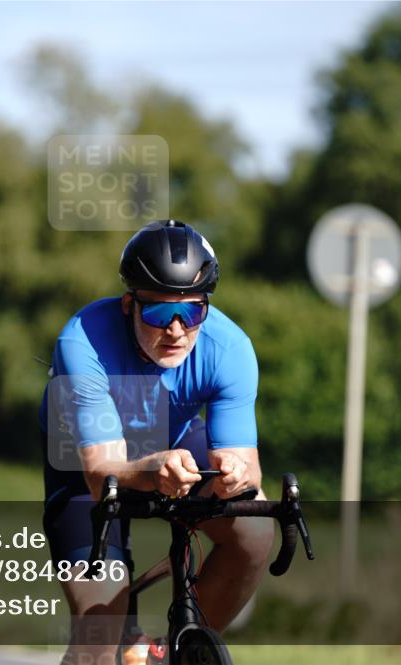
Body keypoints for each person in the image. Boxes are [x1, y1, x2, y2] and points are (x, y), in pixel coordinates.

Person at [39, 219, 275, 664]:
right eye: (159, 314)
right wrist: (153, 470)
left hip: (174, 439)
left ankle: (170, 653)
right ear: (129, 304)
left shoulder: (230, 349)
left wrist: (235, 478)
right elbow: (100, 475)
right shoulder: (82, 340)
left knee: (255, 527)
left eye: (191, 313)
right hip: (82, 458)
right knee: (100, 636)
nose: (176, 330)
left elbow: (244, 466)